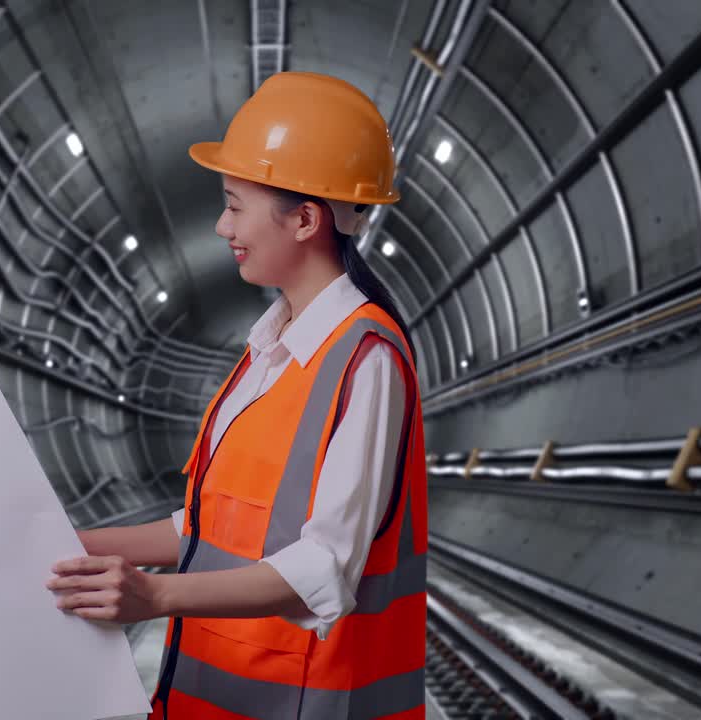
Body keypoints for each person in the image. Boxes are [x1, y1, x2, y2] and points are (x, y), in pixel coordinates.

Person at [46, 71, 428, 719]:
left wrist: (156, 598)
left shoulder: (366, 359)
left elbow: (325, 566)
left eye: (234, 203)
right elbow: (209, 529)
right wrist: (78, 544)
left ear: (305, 218)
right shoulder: (267, 350)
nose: (222, 226)